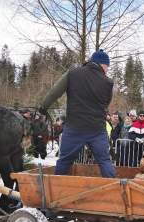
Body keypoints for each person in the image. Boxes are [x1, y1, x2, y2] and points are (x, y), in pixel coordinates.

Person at [39, 49, 115, 177]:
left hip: (74, 127)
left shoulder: (73, 73)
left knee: (64, 161)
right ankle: (115, 192)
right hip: (97, 129)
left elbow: (54, 92)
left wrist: (43, 107)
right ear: (102, 64)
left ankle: (56, 191)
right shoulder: (108, 82)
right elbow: (106, 103)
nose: (107, 70)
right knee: (104, 161)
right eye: (107, 66)